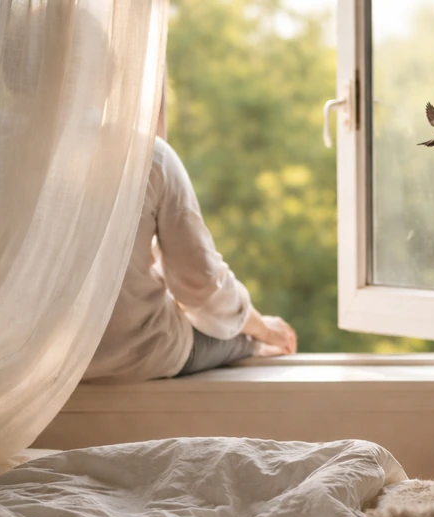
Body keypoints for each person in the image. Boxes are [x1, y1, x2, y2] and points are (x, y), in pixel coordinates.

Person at [83, 136, 297, 383]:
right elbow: (201, 285)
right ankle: (255, 342)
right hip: (136, 350)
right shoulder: (148, 155)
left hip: (38, 367)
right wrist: (263, 329)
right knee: (244, 337)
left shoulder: (29, 145)